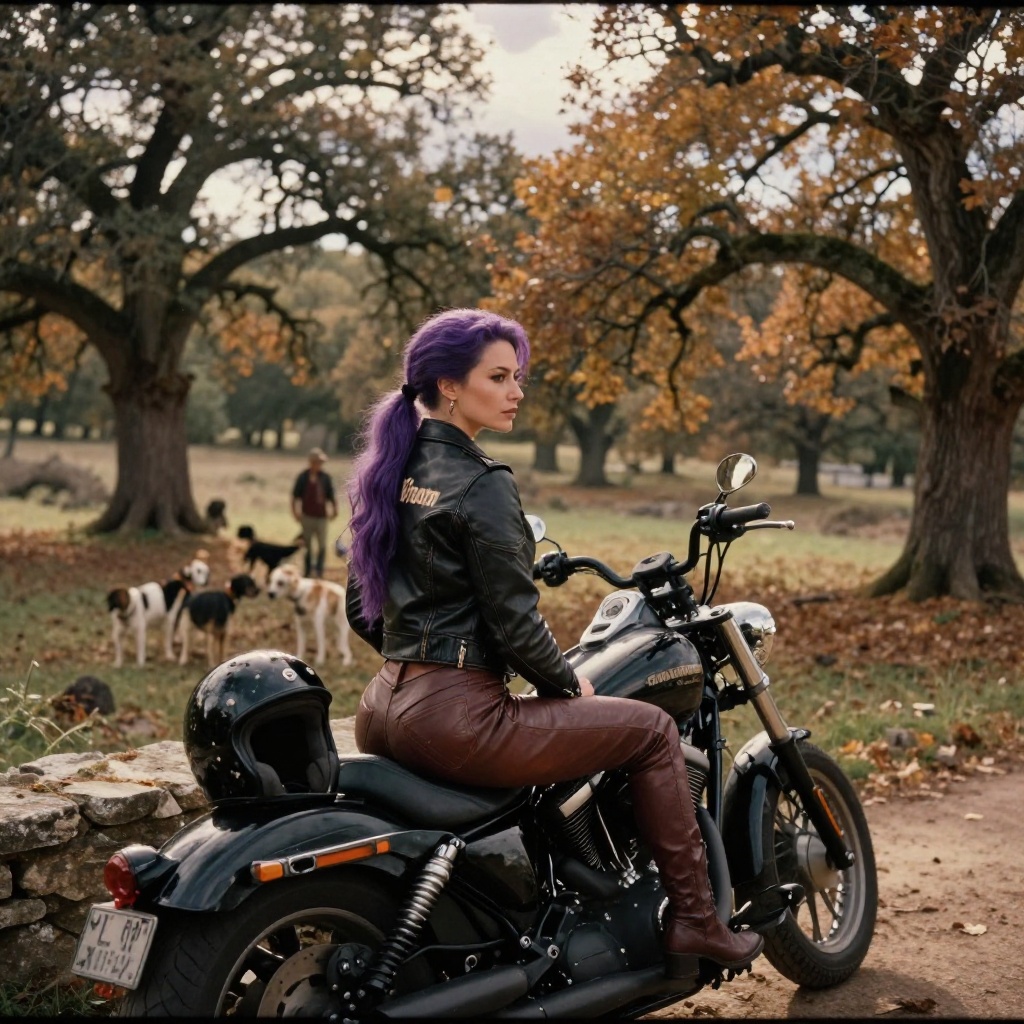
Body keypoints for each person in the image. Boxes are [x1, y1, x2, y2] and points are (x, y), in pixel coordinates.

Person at [344, 307, 763, 980]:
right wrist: (567, 684)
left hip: (383, 711)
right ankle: (696, 917)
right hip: (455, 720)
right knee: (653, 730)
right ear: (449, 385)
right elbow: (515, 624)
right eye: (499, 377)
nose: (516, 391)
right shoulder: (483, 482)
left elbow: (363, 611)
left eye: (520, 377)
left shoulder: (388, 470)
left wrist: (422, 670)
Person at [291, 447, 337, 578]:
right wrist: (295, 512)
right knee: (307, 546)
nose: (320, 465)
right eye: (317, 462)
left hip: (321, 517)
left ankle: (319, 571)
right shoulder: (303, 477)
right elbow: (295, 496)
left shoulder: (326, 477)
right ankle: (307, 571)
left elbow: (331, 496)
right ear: (311, 462)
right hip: (307, 516)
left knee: (322, 545)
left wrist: (335, 510)